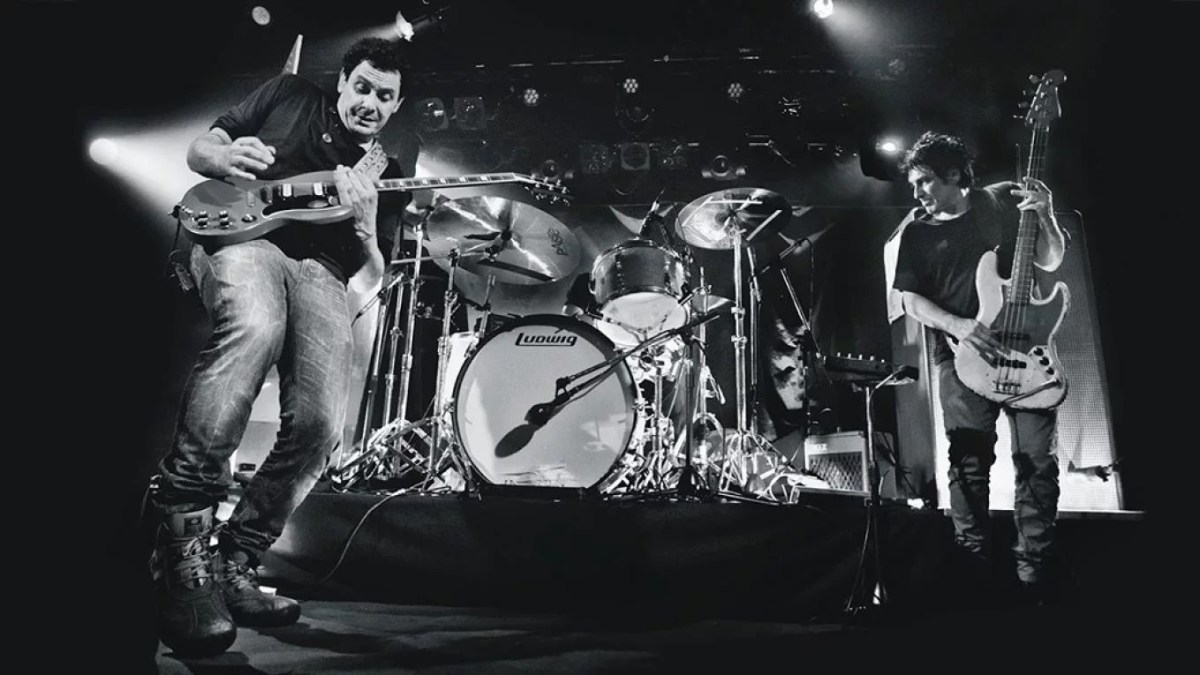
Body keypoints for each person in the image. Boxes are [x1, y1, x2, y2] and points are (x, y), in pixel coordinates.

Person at [148, 37, 414, 657]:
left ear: (397, 106)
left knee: (321, 424)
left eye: (385, 96)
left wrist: (365, 226)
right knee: (256, 327)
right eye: (363, 87)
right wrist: (221, 156)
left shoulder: (386, 169)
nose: (370, 103)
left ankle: (236, 560)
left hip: (324, 270)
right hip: (243, 237)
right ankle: (182, 533)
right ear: (342, 81)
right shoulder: (289, 95)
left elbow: (375, 275)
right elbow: (200, 148)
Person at [890, 131, 1067, 605]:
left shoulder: (1000, 202)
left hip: (1026, 349)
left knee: (1038, 462)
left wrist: (1047, 214)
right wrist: (959, 325)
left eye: (925, 181)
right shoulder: (917, 233)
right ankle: (973, 571)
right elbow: (909, 300)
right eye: (914, 184)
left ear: (954, 175)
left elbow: (1051, 260)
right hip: (959, 357)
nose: (917, 193)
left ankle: (1034, 575)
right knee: (969, 464)